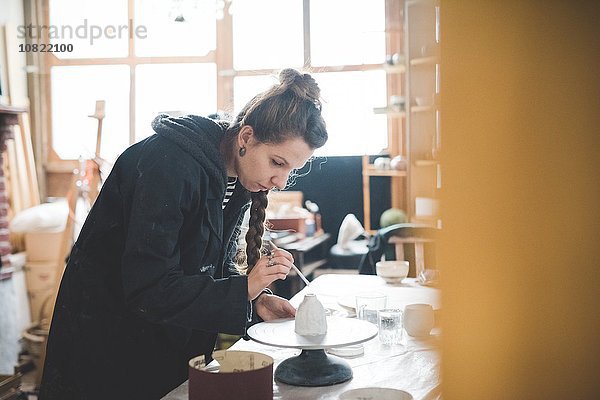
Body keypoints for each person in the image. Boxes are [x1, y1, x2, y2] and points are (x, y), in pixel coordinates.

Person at [39, 68, 328, 399]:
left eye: (290, 170)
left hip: (163, 345)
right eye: (277, 162)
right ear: (246, 137)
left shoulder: (236, 178)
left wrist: (255, 301)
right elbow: (150, 287)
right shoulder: (169, 164)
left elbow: (204, 266)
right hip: (107, 347)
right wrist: (242, 289)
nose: (280, 181)